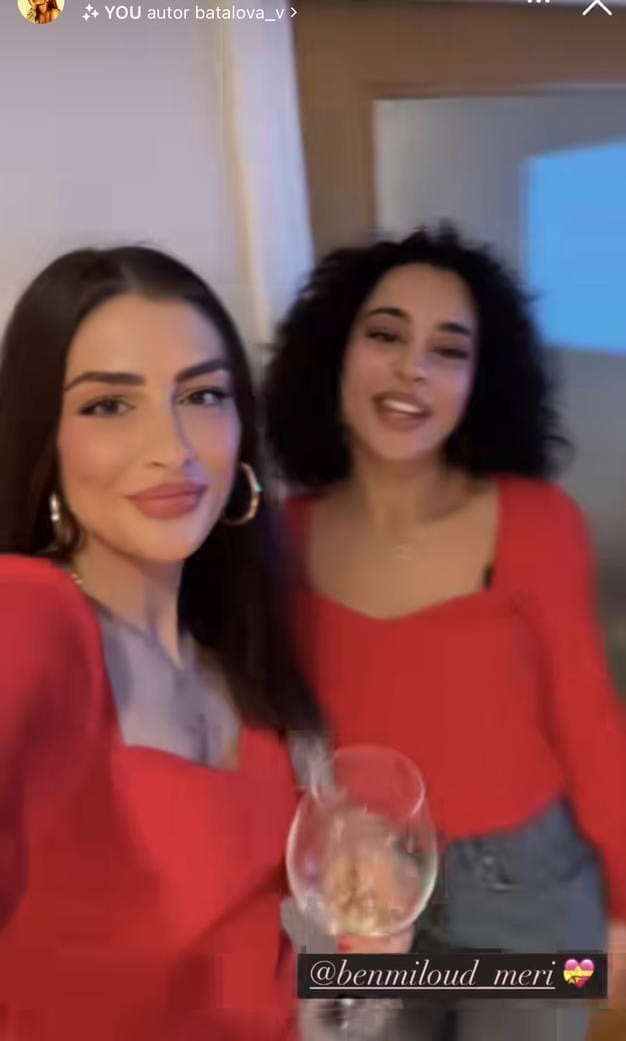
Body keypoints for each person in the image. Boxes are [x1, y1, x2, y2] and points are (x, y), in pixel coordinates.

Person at [263, 225, 626, 1040]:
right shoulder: (282, 538)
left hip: (531, 893)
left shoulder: (537, 523)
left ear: (478, 382)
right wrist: (326, 843)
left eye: (449, 349)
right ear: (334, 354)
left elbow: (591, 725)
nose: (412, 368)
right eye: (385, 335)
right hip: (363, 891)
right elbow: (270, 730)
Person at [0, 245, 327, 1040]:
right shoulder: (30, 614)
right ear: (44, 437)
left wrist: (556, 969)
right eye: (111, 405)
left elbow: (272, 987)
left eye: (203, 395)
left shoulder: (239, 661)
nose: (173, 446)